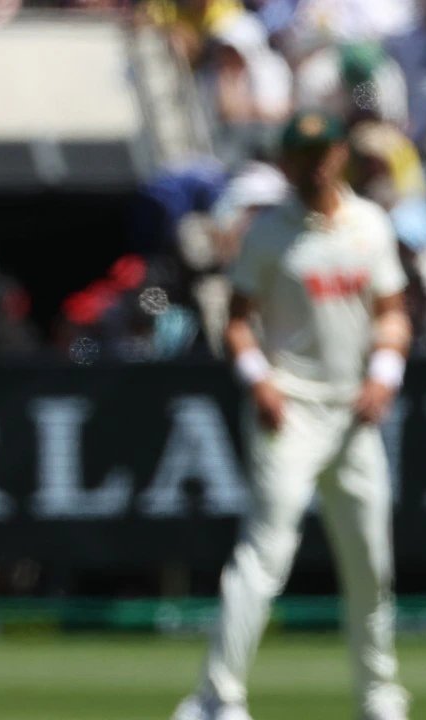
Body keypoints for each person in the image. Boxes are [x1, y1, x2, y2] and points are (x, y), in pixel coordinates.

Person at [172, 109, 411, 720]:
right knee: (263, 557)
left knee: (370, 563)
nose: (313, 165)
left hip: (353, 415)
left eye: (322, 152)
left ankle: (379, 696)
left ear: (339, 155)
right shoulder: (267, 233)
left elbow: (391, 312)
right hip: (290, 412)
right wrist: (260, 382)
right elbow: (236, 321)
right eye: (301, 154)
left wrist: (383, 375)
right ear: (285, 161)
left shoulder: (370, 224)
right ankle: (216, 699)